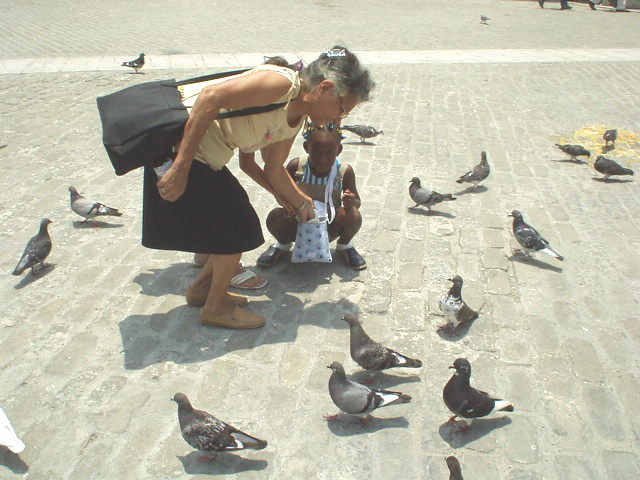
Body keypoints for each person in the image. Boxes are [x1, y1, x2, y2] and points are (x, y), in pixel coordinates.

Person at [145, 46, 374, 329]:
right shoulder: (282, 83)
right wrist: (180, 166)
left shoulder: (295, 120)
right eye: (342, 110)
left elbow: (274, 170)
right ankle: (215, 307)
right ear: (326, 89)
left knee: (234, 224)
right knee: (240, 226)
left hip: (207, 160)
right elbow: (210, 97)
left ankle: (202, 291)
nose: (339, 120)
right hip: (181, 152)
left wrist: (299, 202)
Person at [257, 122, 366, 270]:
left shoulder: (344, 171)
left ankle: (345, 245)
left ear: (338, 150)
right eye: (316, 153)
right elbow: (280, 191)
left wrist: (350, 201)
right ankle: (282, 244)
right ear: (306, 147)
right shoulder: (297, 166)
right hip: (299, 223)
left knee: (355, 216)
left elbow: (357, 201)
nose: (322, 159)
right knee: (275, 217)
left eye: (329, 153)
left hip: (329, 225)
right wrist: (288, 206)